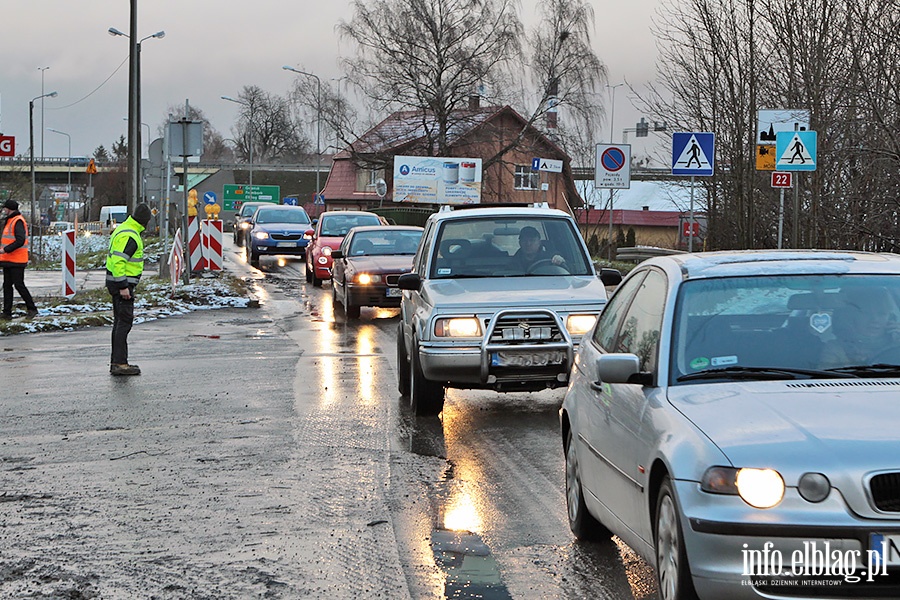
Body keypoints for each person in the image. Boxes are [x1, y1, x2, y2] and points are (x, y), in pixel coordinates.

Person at [106, 203, 152, 376]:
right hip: (122, 286)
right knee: (124, 323)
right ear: (145, 221)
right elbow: (119, 262)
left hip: (116, 283)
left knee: (119, 323)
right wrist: (123, 286)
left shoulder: (124, 228)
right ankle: (119, 363)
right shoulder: (131, 235)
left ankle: (117, 361)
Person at [820, 286, 900, 368]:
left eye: (882, 314)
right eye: (866, 313)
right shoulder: (836, 349)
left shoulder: (897, 344)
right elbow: (825, 377)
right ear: (852, 317)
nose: (875, 319)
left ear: (891, 318)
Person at [0, 199, 39, 320]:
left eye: (5, 208)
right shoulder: (11, 220)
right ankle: (6, 312)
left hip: (17, 260)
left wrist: (6, 249)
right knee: (7, 286)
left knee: (18, 285)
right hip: (9, 260)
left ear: (9, 209)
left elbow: (20, 240)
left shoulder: (17, 221)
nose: (4, 210)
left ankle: (32, 308)